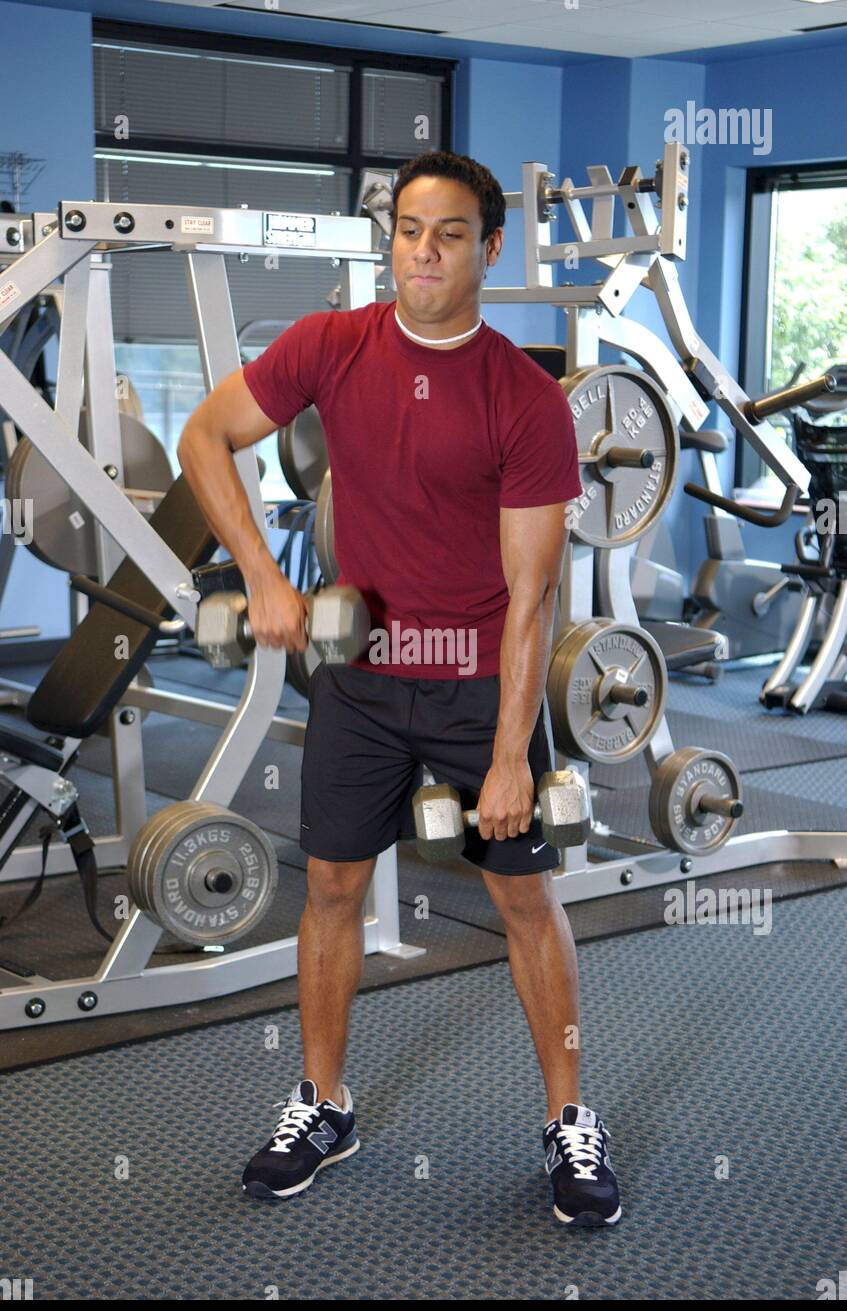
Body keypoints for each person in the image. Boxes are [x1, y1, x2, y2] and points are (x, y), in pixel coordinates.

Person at [177, 151, 621, 1229]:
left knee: (523, 898)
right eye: (409, 229)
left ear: (487, 247)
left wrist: (513, 752)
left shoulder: (523, 398)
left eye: (450, 233)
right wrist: (266, 576)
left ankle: (569, 1118)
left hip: (477, 685)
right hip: (360, 680)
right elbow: (205, 437)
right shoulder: (332, 345)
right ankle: (323, 1103)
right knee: (329, 889)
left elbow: (532, 596)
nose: (423, 251)